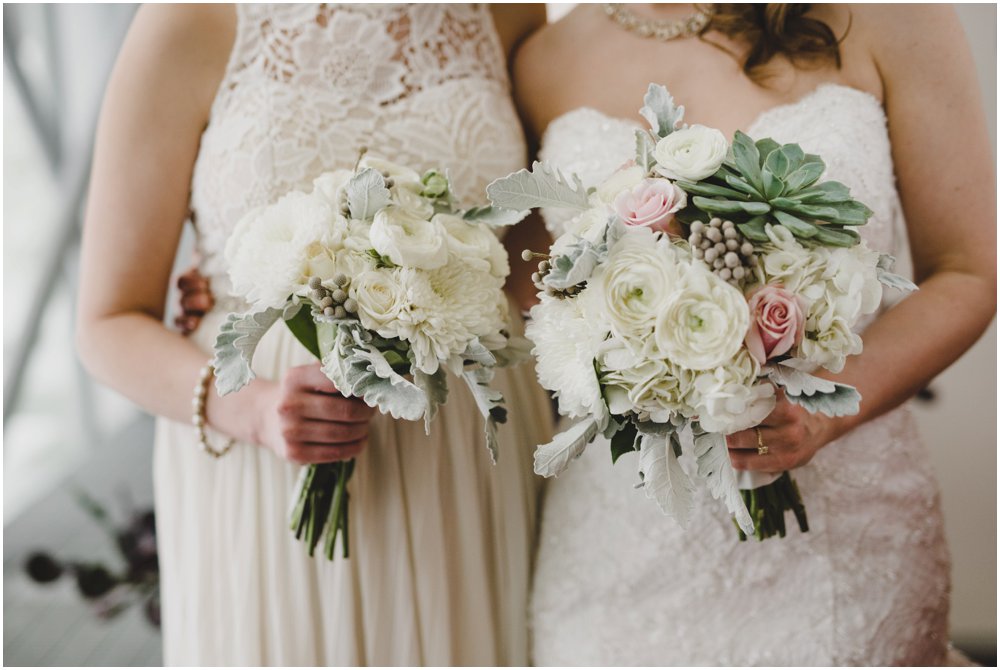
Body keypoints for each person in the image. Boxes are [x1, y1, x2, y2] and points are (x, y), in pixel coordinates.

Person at [512, 4, 995, 665]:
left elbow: (968, 272)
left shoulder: (894, 17)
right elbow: (535, 294)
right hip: (619, 552)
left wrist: (826, 409)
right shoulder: (548, 56)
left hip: (841, 545)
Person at [75, 4, 553, 665]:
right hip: (271, 452)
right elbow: (107, 321)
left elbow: (534, 239)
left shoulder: (508, 13)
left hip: (470, 449)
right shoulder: (189, 20)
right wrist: (249, 409)